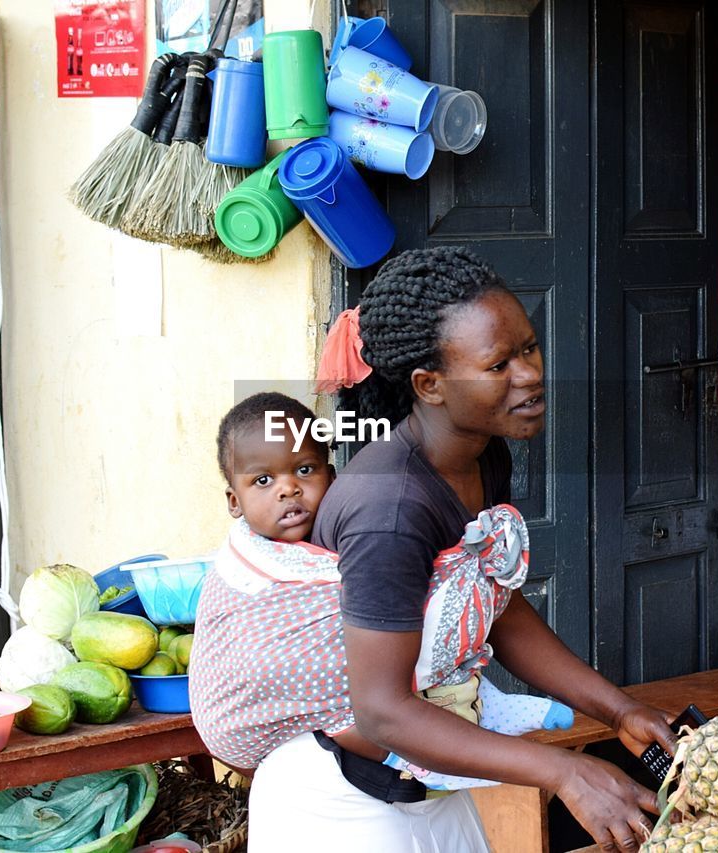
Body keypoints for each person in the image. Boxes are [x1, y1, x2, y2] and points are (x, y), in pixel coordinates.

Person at [241, 247, 678, 852]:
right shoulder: (389, 510)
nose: (529, 374)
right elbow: (383, 711)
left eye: (528, 347)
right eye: (499, 364)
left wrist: (618, 710)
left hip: (425, 780)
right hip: (340, 803)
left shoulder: (480, 454)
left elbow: (499, 609)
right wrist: (565, 770)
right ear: (430, 385)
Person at [188, 391, 574, 792]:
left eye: (304, 470)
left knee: (414, 628)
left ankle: (480, 702)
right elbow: (245, 650)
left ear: (332, 479)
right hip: (289, 727)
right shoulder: (249, 560)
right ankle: (414, 757)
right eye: (263, 481)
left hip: (370, 736)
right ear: (235, 502)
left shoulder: (353, 524)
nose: (288, 490)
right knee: (363, 690)